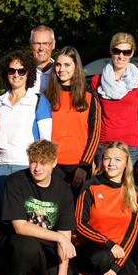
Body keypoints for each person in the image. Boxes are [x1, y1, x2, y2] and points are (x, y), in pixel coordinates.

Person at [0, 139, 77, 275]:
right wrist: (59, 238)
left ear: (54, 163)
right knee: (28, 245)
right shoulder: (15, 181)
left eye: (44, 163)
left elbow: (65, 233)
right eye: (33, 162)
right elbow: (20, 227)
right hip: (16, 242)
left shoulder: (64, 189)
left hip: (47, 247)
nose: (38, 168)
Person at [74, 141, 138, 275]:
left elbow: (131, 233)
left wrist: (116, 267)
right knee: (102, 256)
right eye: (107, 158)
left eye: (117, 160)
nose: (111, 163)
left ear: (127, 163)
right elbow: (79, 223)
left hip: (116, 254)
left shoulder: (133, 193)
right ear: (102, 160)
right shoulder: (91, 185)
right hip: (89, 250)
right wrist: (109, 243)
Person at [90, 32, 138, 184]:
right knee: (103, 193)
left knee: (129, 194)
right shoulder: (97, 81)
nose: (121, 56)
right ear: (111, 51)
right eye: (117, 51)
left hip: (132, 147)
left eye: (126, 52)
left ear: (132, 54)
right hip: (103, 145)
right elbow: (93, 119)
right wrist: (90, 155)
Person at [0, 49, 51, 204]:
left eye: (21, 71)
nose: (16, 75)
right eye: (12, 70)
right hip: (0, 165)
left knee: (22, 217)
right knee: (0, 215)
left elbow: (46, 141)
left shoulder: (38, 100)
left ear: (29, 73)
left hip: (26, 166)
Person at [45, 46, 101, 199]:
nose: (61, 69)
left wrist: (85, 165)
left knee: (79, 209)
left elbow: (95, 133)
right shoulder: (46, 96)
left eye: (67, 65)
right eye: (58, 64)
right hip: (53, 163)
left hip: (79, 164)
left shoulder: (89, 95)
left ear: (76, 67)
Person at [25, 25, 56, 96]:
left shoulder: (62, 73)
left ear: (53, 44)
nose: (41, 48)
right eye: (37, 43)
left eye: (46, 43)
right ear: (30, 44)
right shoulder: (20, 73)